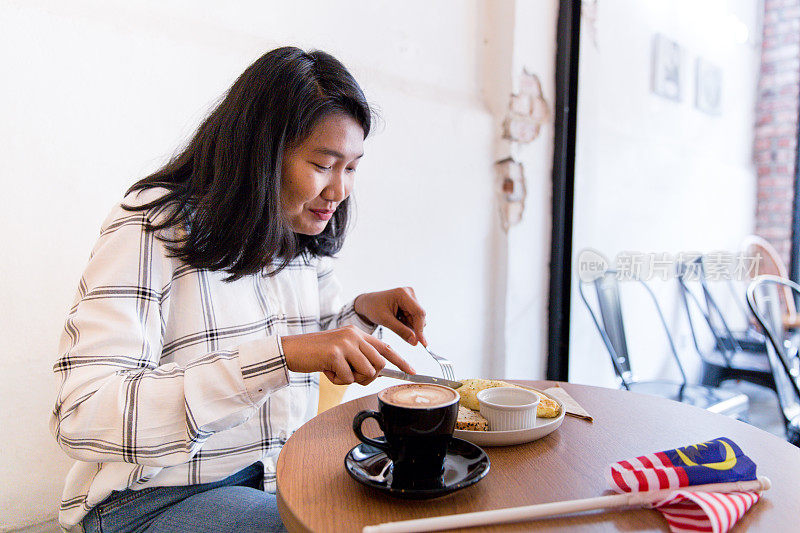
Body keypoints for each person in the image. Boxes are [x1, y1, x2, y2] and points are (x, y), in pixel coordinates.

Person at [50, 46, 427, 533]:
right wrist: (276, 359)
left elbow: (320, 342)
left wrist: (362, 313)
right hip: (147, 501)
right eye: (322, 164)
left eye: (351, 167)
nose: (340, 190)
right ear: (261, 153)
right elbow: (80, 414)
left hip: (275, 483)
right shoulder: (152, 226)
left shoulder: (298, 236)